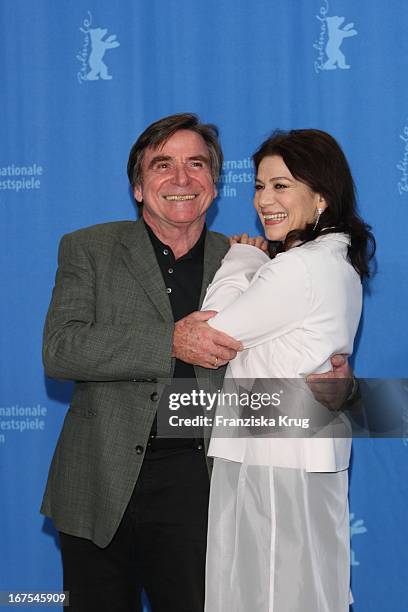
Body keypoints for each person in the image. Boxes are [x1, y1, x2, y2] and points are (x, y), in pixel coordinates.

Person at [41, 114, 353, 612]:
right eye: (162, 165)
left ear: (213, 183)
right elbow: (61, 349)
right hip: (98, 485)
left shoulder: (255, 261)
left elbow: (288, 360)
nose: (181, 179)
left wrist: (337, 387)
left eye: (197, 164)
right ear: (138, 187)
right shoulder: (89, 248)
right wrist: (168, 341)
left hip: (203, 490)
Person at [202, 129, 375, 612]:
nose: (264, 200)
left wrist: (241, 258)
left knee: (266, 595)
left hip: (273, 461)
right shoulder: (335, 263)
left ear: (321, 195)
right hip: (301, 454)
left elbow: (210, 334)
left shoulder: (294, 268)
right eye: (259, 186)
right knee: (305, 590)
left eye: (281, 186)